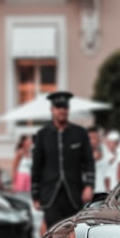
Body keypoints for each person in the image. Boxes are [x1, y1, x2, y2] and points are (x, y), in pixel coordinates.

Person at [31, 90, 95, 230]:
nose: (62, 111)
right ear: (52, 110)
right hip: (50, 195)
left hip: (73, 194)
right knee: (54, 235)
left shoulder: (80, 133)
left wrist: (89, 186)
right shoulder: (43, 135)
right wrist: (35, 195)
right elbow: (36, 166)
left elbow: (89, 162)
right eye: (58, 108)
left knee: (73, 234)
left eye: (64, 108)